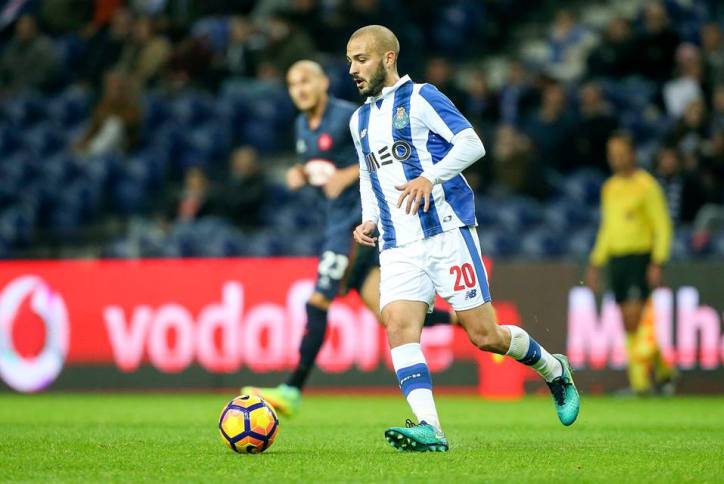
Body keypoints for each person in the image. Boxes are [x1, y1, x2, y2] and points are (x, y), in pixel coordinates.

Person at [347, 25, 579, 453]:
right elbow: (368, 173)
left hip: (446, 232)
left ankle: (554, 370)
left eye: (361, 59)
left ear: (388, 58)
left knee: (485, 335)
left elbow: (472, 144)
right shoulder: (358, 119)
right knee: (398, 325)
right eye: (350, 61)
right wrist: (370, 220)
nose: (352, 69)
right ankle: (430, 428)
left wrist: (429, 177)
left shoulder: (421, 97)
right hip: (396, 243)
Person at [242, 60, 455, 416]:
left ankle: (292, 390)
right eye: (293, 84)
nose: (300, 89)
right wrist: (300, 174)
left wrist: (348, 174)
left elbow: (381, 156)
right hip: (336, 224)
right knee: (392, 315)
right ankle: (463, 320)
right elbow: (320, 168)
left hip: (357, 227)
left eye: (306, 81)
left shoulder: (347, 118)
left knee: (318, 301)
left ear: (324, 82)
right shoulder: (301, 126)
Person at [586, 133, 676, 395]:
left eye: (621, 153)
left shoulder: (647, 186)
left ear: (632, 154)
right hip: (617, 260)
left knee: (635, 317)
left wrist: (658, 261)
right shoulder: (610, 188)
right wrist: (596, 262)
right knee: (627, 322)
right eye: (612, 154)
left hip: (639, 257)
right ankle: (664, 371)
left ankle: (640, 385)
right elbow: (607, 228)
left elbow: (662, 226)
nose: (616, 158)